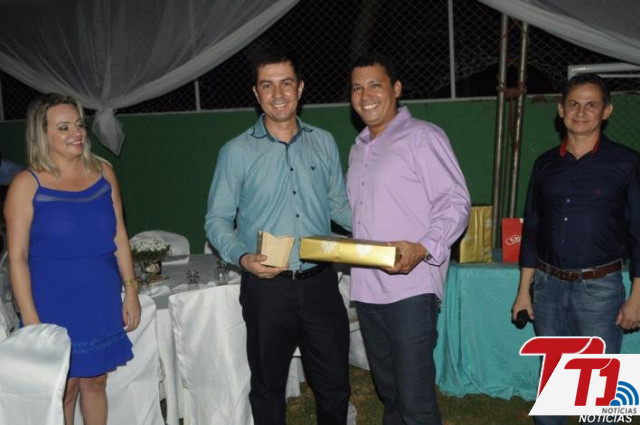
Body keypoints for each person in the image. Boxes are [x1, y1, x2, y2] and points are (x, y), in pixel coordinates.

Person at [205, 46, 352, 425]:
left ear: (300, 88)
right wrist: (243, 258)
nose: (278, 94)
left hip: (321, 284)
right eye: (267, 85)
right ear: (256, 94)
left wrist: (391, 232)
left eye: (286, 83)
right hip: (267, 289)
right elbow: (216, 220)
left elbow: (340, 207)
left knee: (335, 386)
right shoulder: (236, 152)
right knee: (268, 389)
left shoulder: (324, 142)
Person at [346, 53, 471, 425]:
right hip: (368, 289)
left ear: (396, 89)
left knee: (415, 399)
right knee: (390, 394)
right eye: (357, 87)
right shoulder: (358, 149)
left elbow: (455, 202)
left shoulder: (423, 137)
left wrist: (424, 247)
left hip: (411, 289)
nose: (365, 95)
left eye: (375, 85)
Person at [3, 93, 141, 425]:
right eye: (63, 127)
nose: (76, 133)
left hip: (99, 296)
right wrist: (32, 322)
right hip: (52, 302)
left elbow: (119, 235)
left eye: (78, 124)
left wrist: (131, 289)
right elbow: (17, 258)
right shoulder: (26, 184)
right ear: (42, 134)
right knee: (64, 389)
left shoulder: (104, 173)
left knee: (96, 381)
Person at [512, 74, 640, 424]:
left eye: (591, 105)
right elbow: (532, 229)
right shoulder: (544, 164)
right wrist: (523, 292)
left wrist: (637, 297)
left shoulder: (627, 162)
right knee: (552, 377)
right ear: (560, 110)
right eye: (573, 104)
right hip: (547, 287)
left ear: (606, 111)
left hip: (601, 289)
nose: (581, 112)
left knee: (599, 386)